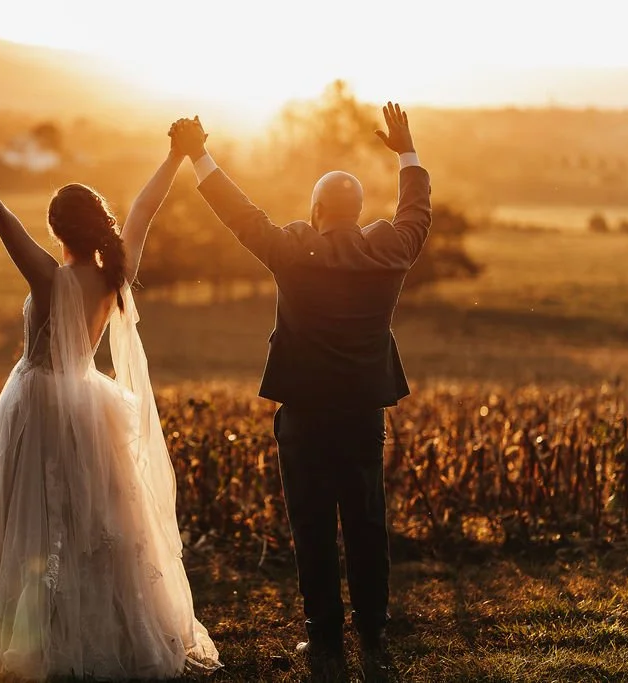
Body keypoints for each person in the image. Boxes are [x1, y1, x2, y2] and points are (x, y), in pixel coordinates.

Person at [0, 125, 220, 679]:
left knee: (17, 521)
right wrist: (174, 157)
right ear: (98, 226)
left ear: (56, 229)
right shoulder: (116, 272)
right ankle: (106, 630)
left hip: (36, 406)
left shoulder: (48, 278)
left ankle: (20, 633)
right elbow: (144, 208)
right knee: (96, 524)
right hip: (90, 404)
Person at [170, 103, 431, 681]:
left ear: (316, 213)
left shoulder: (294, 250)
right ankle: (373, 630)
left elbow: (243, 216)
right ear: (359, 214)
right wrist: (407, 152)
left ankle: (323, 640)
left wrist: (199, 155)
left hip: (304, 417)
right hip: (364, 413)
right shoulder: (389, 251)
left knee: (311, 526)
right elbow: (417, 211)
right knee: (366, 519)